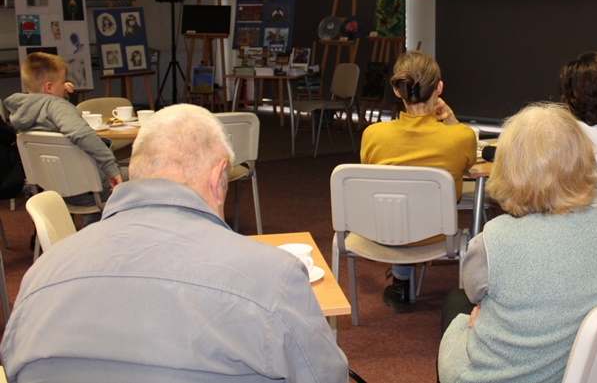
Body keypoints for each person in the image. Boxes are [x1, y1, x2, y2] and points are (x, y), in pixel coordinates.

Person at [0, 104, 349, 383]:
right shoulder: (273, 275)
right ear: (217, 178)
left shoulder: (41, 273)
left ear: (136, 171)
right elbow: (324, 376)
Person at [437, 102, 597, 383]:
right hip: (593, 370)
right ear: (584, 160)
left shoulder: (495, 239)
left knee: (456, 303)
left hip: (500, 376)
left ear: (508, 168)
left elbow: (474, 293)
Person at [360, 50, 477, 313]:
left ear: (398, 90)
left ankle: (401, 283)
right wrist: (451, 122)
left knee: (403, 206)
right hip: (437, 234)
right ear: (439, 88)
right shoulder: (461, 137)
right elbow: (469, 164)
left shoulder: (373, 135)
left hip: (384, 233)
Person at [4, 52, 121, 224]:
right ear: (49, 87)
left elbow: (50, 113)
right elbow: (81, 134)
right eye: (62, 82)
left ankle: (91, 231)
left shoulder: (22, 111)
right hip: (88, 191)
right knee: (139, 174)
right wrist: (111, 168)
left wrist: (61, 97)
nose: (66, 85)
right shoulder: (56, 106)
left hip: (51, 192)